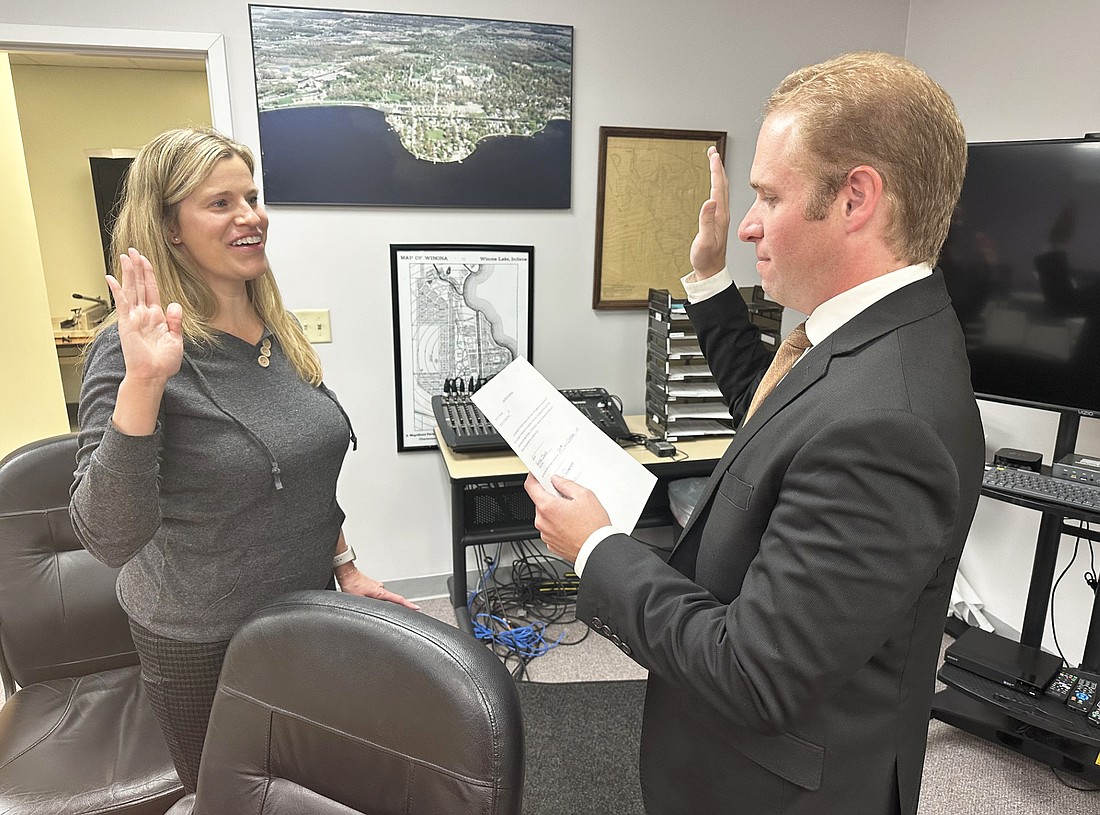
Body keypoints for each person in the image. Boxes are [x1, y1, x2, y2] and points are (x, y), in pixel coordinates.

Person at [525, 52, 985, 814]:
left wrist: (598, 548)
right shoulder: (869, 341)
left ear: (855, 199)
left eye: (770, 195)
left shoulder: (889, 422)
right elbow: (771, 412)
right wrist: (707, 280)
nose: (746, 224)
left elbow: (755, 671)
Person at [69, 126, 418, 793]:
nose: (251, 216)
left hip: (304, 609)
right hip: (202, 640)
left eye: (252, 197)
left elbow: (301, 468)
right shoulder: (129, 350)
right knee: (234, 799)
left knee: (310, 783)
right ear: (170, 227)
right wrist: (144, 382)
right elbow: (109, 535)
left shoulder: (276, 332)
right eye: (220, 203)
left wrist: (345, 566)